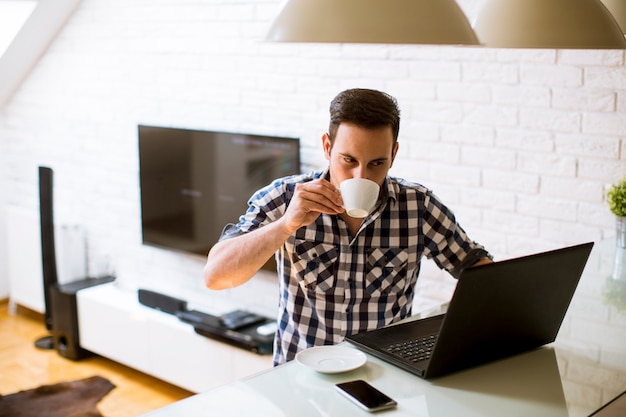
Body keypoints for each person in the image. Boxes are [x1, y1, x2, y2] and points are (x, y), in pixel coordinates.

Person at [204, 88, 492, 365]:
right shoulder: (285, 197)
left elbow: (479, 271)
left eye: (377, 163)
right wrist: (285, 225)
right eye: (349, 160)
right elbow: (216, 277)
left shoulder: (419, 207)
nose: (361, 175)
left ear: (394, 154)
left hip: (386, 372)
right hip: (300, 373)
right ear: (327, 147)